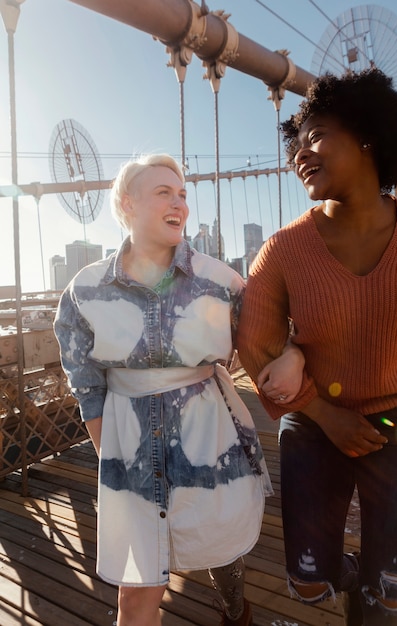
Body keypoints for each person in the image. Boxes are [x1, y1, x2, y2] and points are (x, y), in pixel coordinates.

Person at [53, 153, 302, 626]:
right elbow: (85, 380)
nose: (180, 204)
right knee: (136, 593)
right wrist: (112, 452)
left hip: (208, 437)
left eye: (183, 194)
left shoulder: (221, 280)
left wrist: (292, 354)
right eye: (164, 192)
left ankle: (234, 608)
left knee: (221, 550)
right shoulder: (83, 291)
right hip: (129, 443)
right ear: (127, 204)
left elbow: (272, 334)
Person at [236, 67, 397, 626]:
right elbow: (257, 345)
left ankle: (375, 588)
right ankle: (351, 571)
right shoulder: (284, 249)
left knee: (392, 594)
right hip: (315, 421)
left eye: (315, 135)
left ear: (366, 134)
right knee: (309, 579)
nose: (300, 154)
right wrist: (323, 413)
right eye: (296, 145)